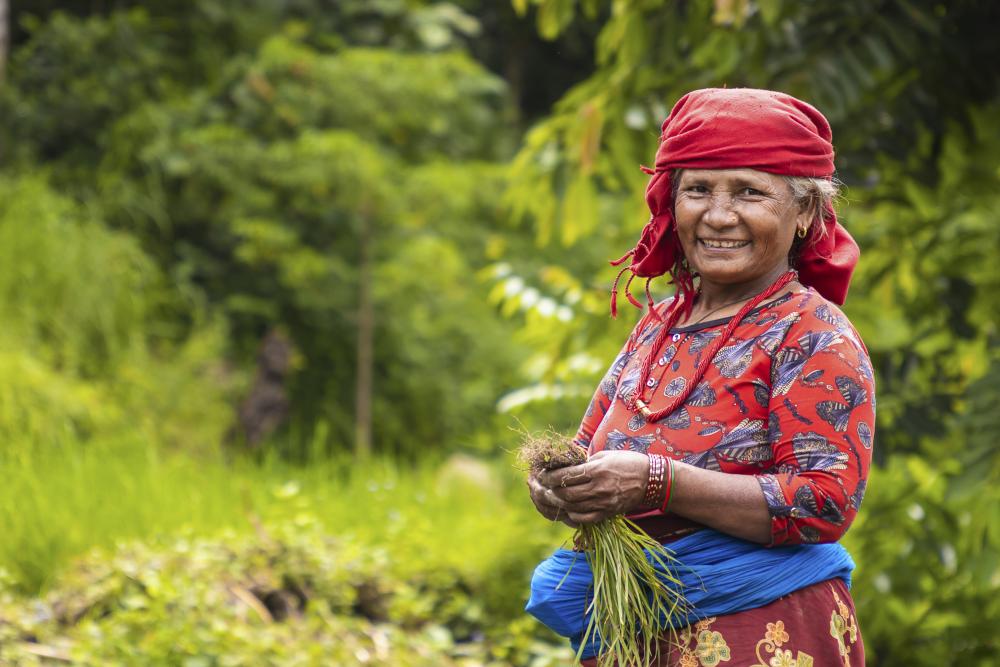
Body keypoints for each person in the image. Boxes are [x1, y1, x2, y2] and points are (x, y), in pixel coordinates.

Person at [527, 88, 873, 666]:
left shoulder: (812, 333)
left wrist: (657, 483)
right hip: (637, 629)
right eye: (698, 190)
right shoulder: (662, 322)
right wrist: (559, 483)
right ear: (671, 203)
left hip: (761, 632)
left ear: (807, 212)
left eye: (749, 191)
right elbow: (589, 447)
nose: (718, 215)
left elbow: (823, 503)